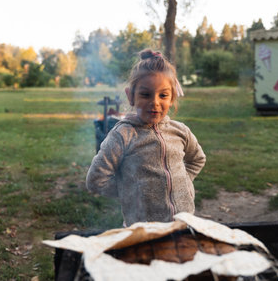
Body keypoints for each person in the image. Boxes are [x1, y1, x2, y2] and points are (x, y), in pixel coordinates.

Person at [86, 49, 206, 226]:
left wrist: (183, 183)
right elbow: (96, 179)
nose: (155, 102)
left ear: (172, 97)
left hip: (183, 225)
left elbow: (197, 159)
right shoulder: (123, 135)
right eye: (145, 94)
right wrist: (129, 191)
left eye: (163, 95)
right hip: (142, 231)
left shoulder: (180, 131)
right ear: (130, 96)